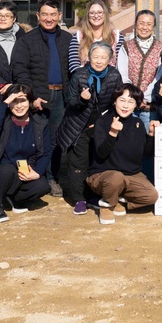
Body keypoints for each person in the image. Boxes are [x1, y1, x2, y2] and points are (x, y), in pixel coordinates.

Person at [10, 0, 71, 197]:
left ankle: (52, 177)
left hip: (62, 95)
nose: (49, 18)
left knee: (56, 140)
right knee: (38, 139)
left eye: (53, 14)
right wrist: (32, 96)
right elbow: (20, 71)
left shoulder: (68, 39)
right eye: (44, 14)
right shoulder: (27, 40)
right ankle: (38, 176)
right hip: (39, 97)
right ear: (38, 16)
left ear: (59, 16)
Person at [57, 42, 123, 215]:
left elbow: (117, 101)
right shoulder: (79, 75)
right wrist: (81, 99)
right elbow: (69, 102)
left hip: (101, 124)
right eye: (96, 57)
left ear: (110, 59)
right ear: (89, 57)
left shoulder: (114, 75)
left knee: (97, 161)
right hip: (78, 125)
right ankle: (78, 198)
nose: (99, 61)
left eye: (103, 57)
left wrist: (102, 123)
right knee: (78, 163)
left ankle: (93, 195)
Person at [0, 85, 53, 224]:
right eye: (14, 101)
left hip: (24, 172)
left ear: (29, 102)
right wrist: (5, 102)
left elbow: (46, 152)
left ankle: (13, 199)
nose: (19, 106)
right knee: (7, 171)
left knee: (43, 186)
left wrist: (37, 172)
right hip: (1, 171)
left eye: (23, 100)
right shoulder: (2, 120)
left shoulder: (39, 123)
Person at [87, 84, 158, 225]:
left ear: (136, 105)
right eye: (122, 100)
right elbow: (101, 154)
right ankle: (107, 205)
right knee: (116, 177)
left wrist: (151, 134)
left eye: (131, 102)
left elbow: (145, 153)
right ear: (114, 101)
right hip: (103, 174)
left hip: (130, 174)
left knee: (151, 196)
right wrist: (112, 133)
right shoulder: (103, 121)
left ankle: (119, 200)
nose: (126, 105)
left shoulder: (138, 123)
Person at [117, 10, 162, 124]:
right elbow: (122, 73)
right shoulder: (126, 47)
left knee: (149, 139)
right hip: (128, 105)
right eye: (141, 23)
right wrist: (133, 97)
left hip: (150, 106)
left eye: (149, 24)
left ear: (154, 26)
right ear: (135, 24)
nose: (145, 27)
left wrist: (144, 97)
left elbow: (159, 76)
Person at [68, 0, 124, 72]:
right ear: (87, 15)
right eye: (92, 13)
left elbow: (121, 64)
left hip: (110, 81)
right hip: (85, 80)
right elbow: (73, 64)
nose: (96, 16)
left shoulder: (116, 36)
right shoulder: (79, 36)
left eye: (100, 12)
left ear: (105, 14)